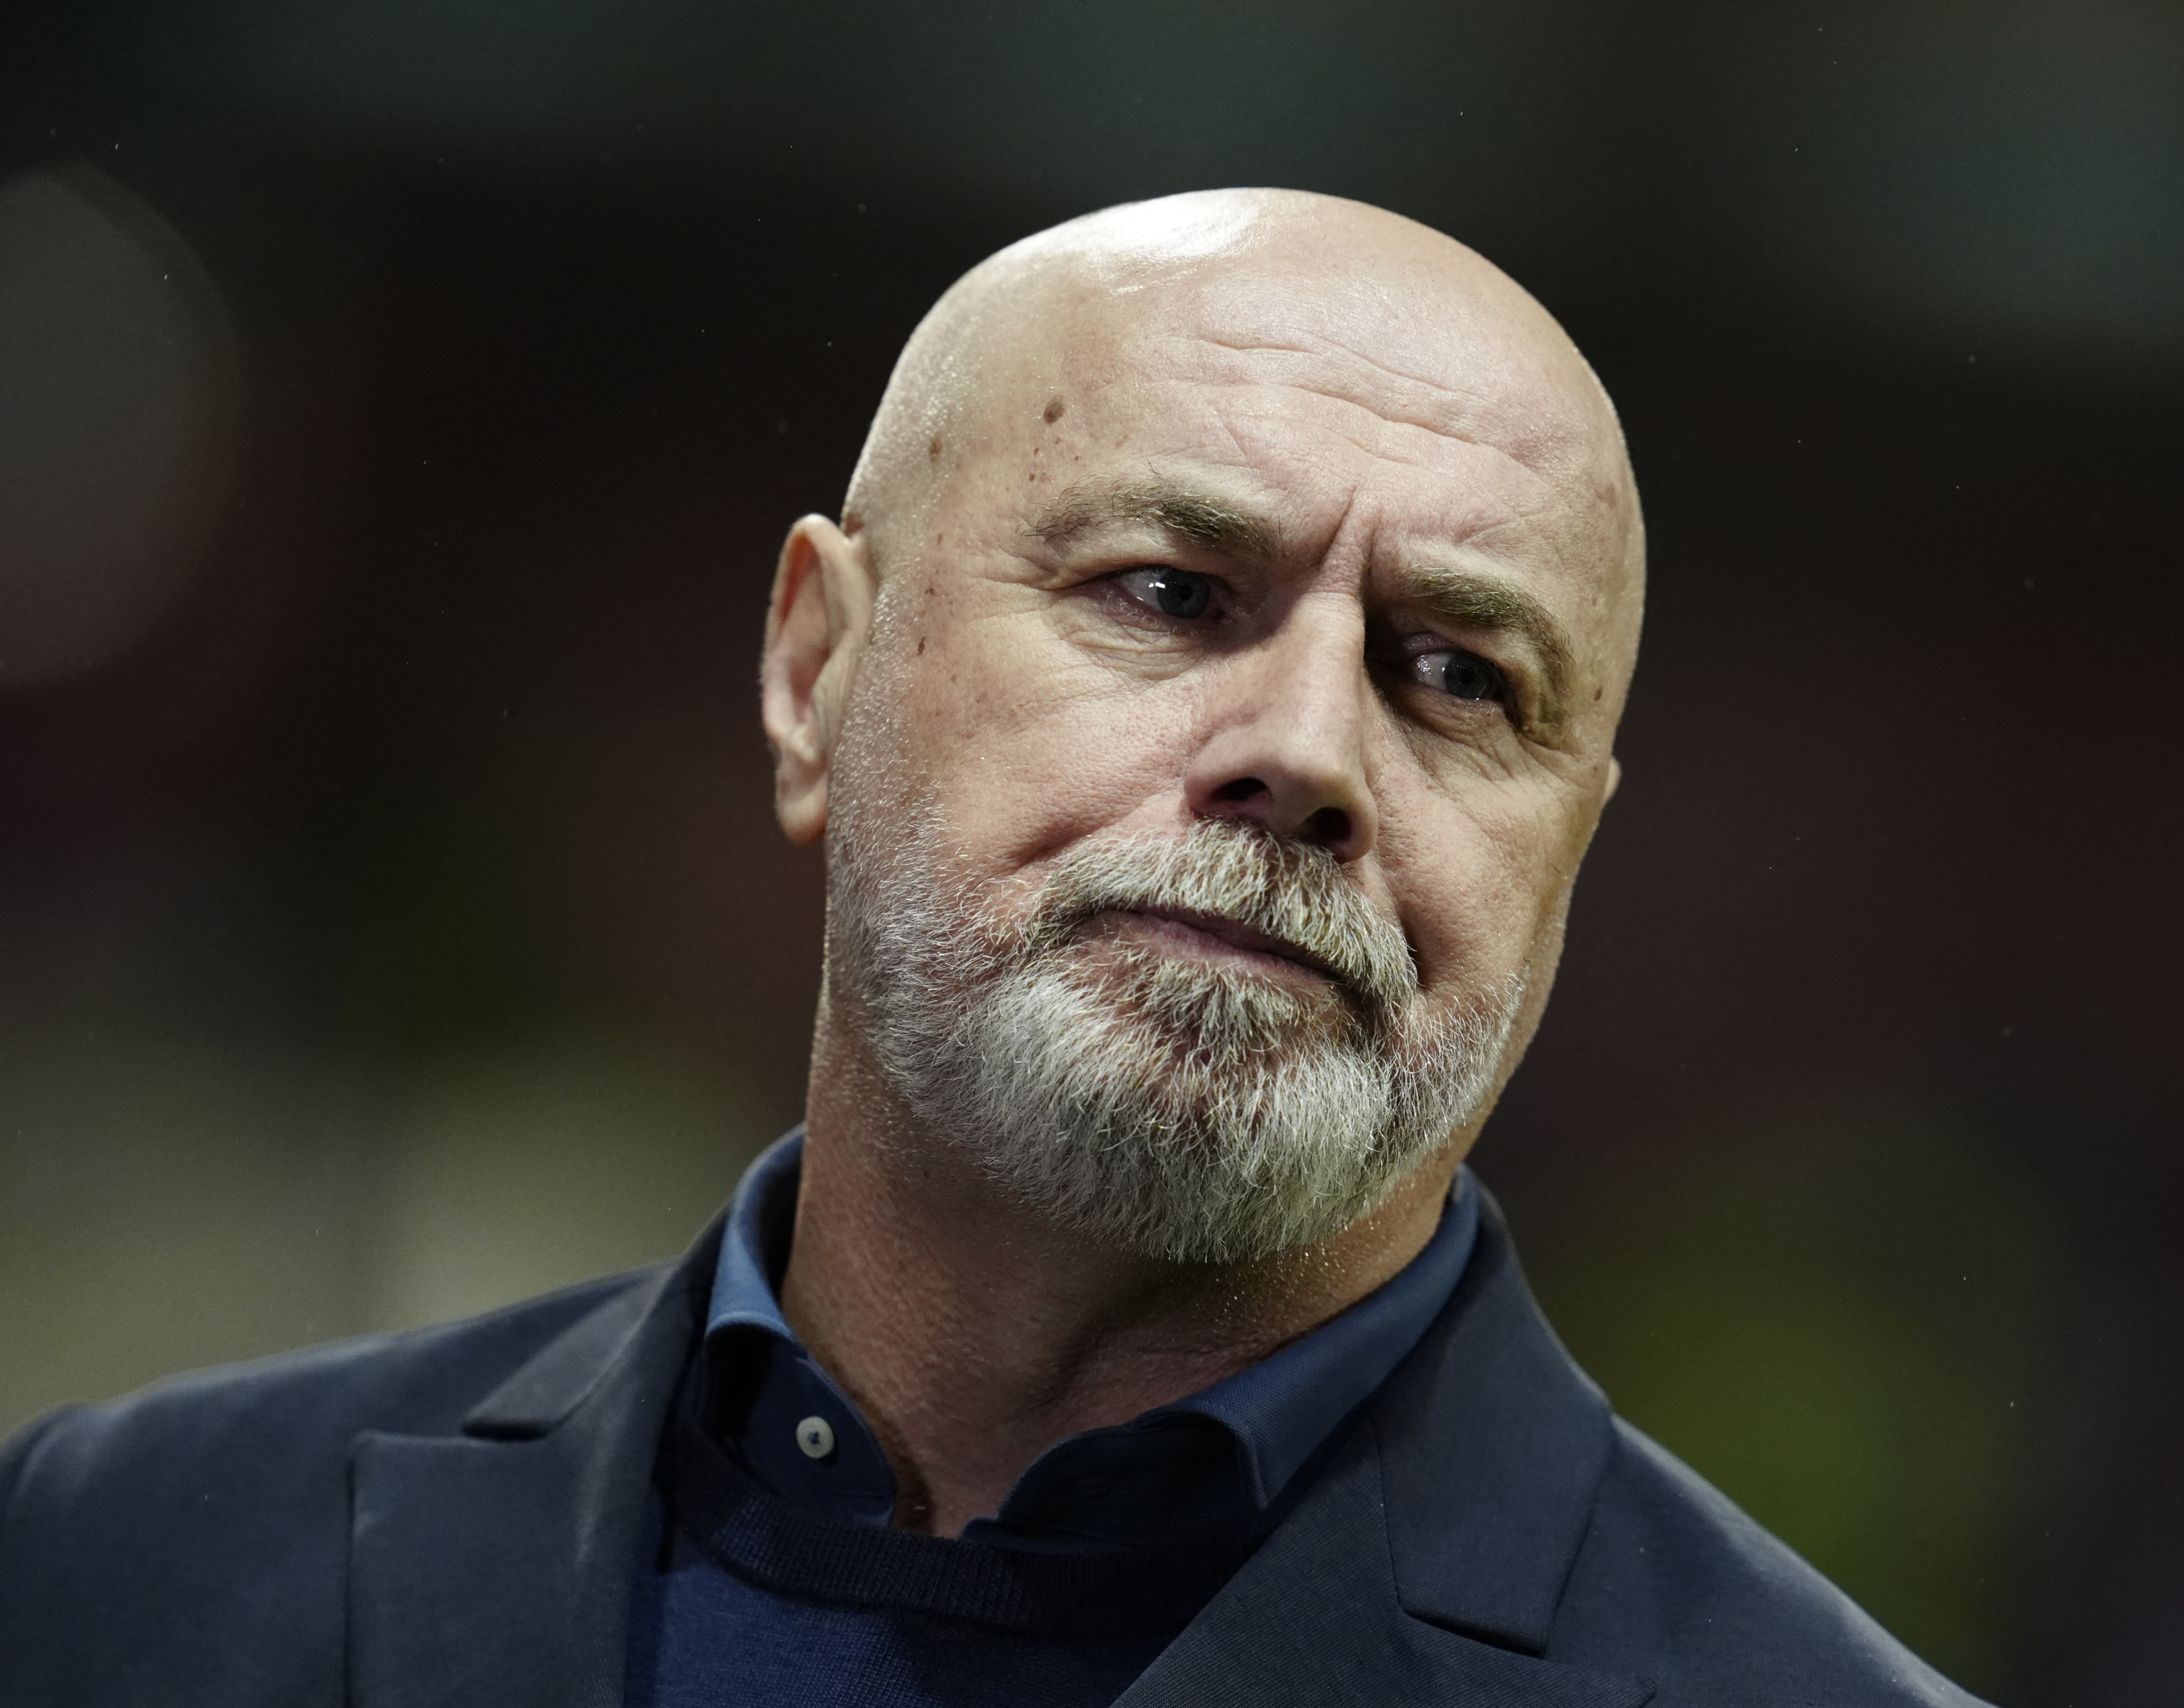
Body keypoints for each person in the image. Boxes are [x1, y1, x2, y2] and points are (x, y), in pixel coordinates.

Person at [0, 189, 1985, 1706]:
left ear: (1570, 849)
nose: (1305, 751)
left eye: (1458, 675)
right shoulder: (108, 1567)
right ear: (814, 671)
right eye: (1169, 589)